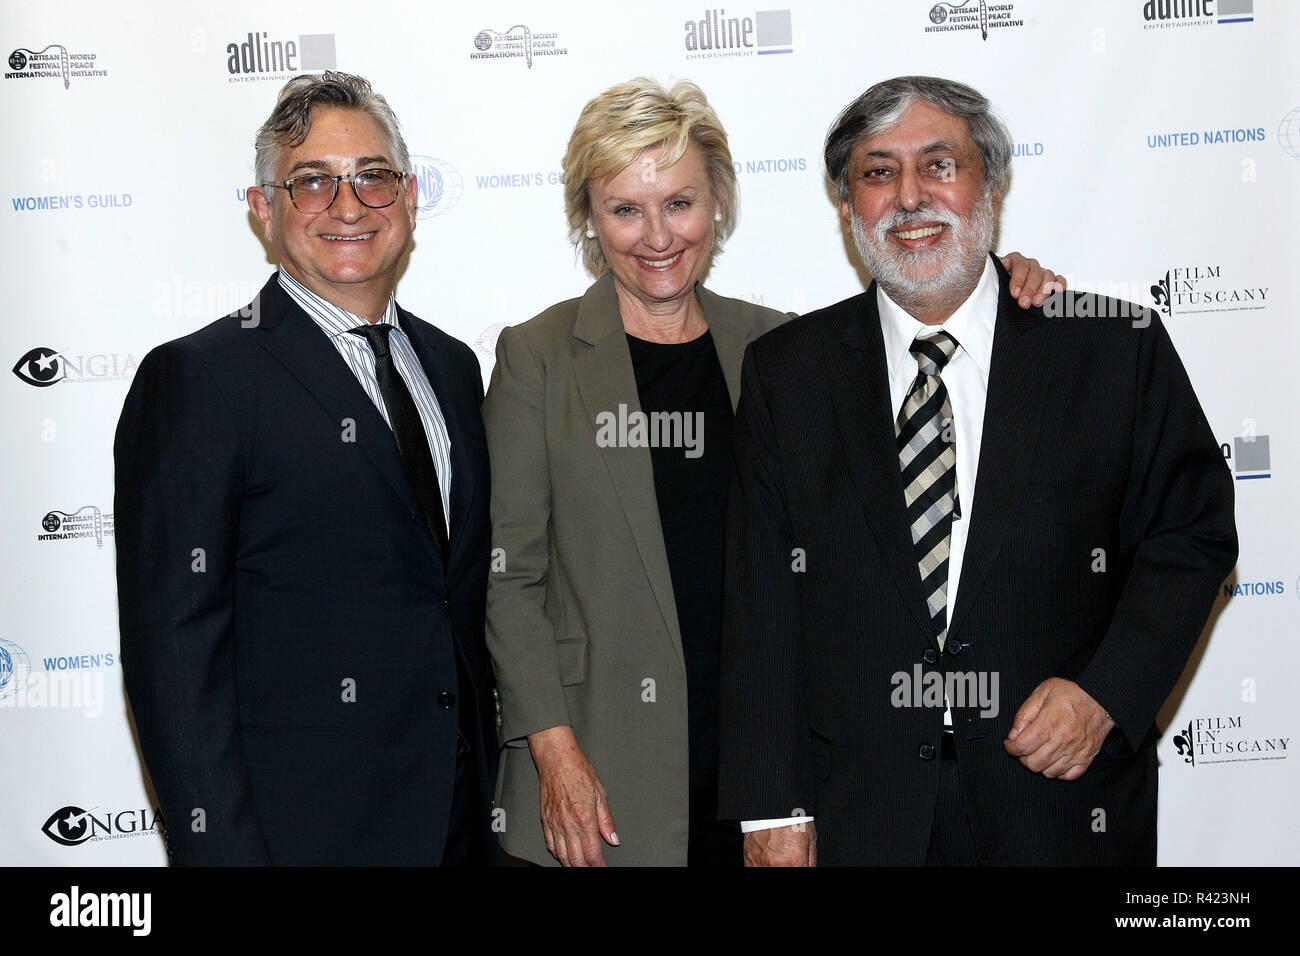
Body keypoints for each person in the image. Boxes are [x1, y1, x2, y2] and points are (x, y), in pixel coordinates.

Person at [482, 76, 1064, 867]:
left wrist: (1009, 280)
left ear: (718, 202)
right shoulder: (539, 357)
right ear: (589, 216)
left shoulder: (782, 352)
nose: (657, 235)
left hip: (776, 772)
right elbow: (508, 577)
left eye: (679, 203)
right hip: (602, 770)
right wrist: (553, 752)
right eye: (625, 209)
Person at [718, 75, 1238, 866]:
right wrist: (770, 810)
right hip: (859, 816)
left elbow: (1191, 537)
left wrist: (1105, 695)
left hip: (1062, 807)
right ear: (847, 205)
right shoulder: (789, 373)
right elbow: (762, 601)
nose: (910, 197)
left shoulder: (1111, 348)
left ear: (990, 185)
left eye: (940, 165)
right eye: (878, 171)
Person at [115, 71, 497, 865]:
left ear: (412, 196)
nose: (349, 205)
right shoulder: (200, 380)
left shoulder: (454, 368)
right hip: (299, 839)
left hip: (458, 829)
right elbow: (175, 655)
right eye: (313, 182)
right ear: (264, 209)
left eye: (373, 178)